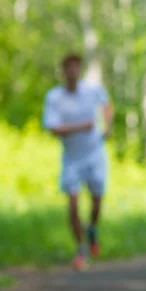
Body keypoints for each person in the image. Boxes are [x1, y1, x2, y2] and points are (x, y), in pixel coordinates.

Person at [42, 53, 113, 271]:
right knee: (72, 203)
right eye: (68, 68)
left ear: (79, 70)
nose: (72, 71)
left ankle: (92, 229)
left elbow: (107, 105)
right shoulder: (54, 97)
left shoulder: (92, 90)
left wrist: (107, 126)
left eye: (76, 67)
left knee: (96, 201)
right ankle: (81, 249)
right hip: (72, 158)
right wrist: (81, 126)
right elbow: (53, 128)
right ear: (63, 71)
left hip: (95, 154)